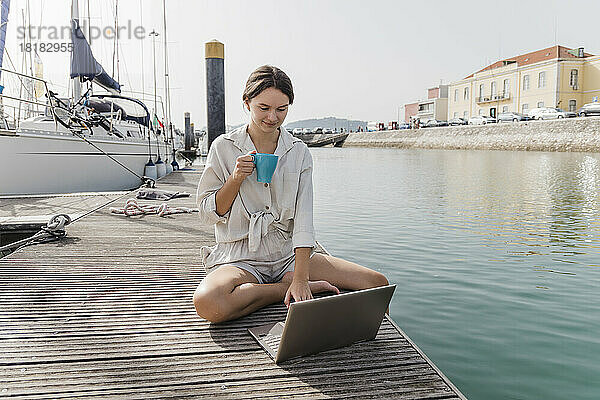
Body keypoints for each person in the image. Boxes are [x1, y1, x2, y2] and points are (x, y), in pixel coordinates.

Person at [193, 65, 389, 323]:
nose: (272, 117)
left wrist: (300, 277)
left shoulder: (298, 152)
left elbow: (304, 219)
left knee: (378, 283)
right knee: (208, 302)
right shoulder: (223, 147)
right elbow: (207, 214)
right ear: (246, 103)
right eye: (264, 108)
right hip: (240, 258)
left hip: (286, 256)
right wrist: (236, 178)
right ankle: (280, 290)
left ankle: (379, 350)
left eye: (281, 109)